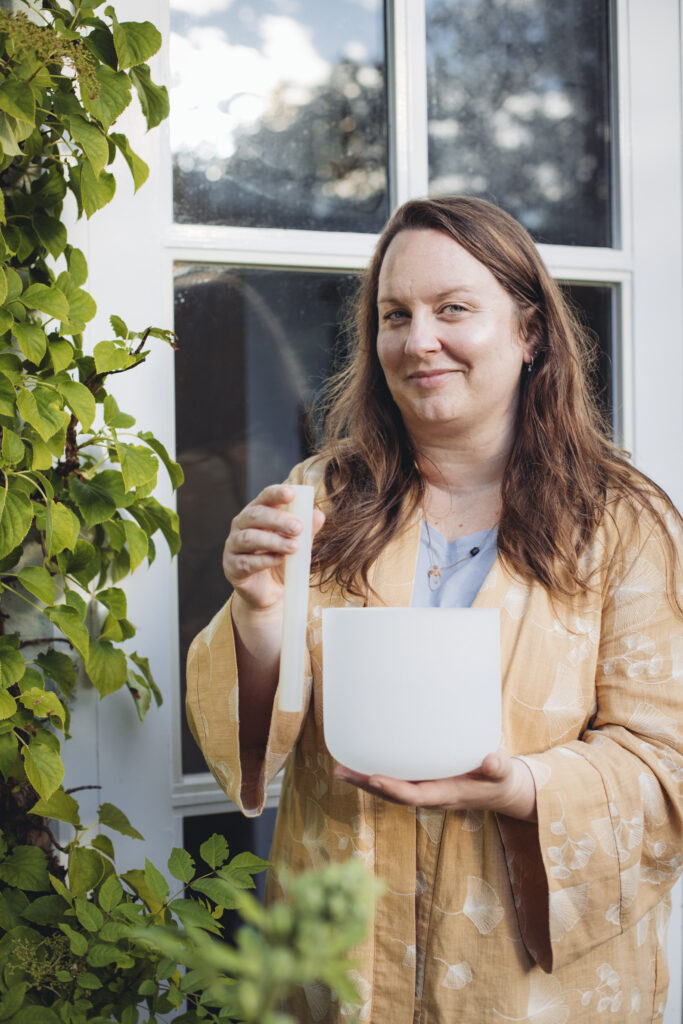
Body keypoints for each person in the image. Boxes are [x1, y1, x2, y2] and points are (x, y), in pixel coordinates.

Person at [186, 196, 683, 1023]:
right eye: (394, 315)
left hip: (529, 990)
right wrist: (259, 610)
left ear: (529, 333)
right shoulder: (320, 494)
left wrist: (521, 787)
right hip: (341, 964)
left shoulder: (623, 521)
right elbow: (255, 739)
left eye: (453, 309)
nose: (418, 342)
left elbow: (667, 763)